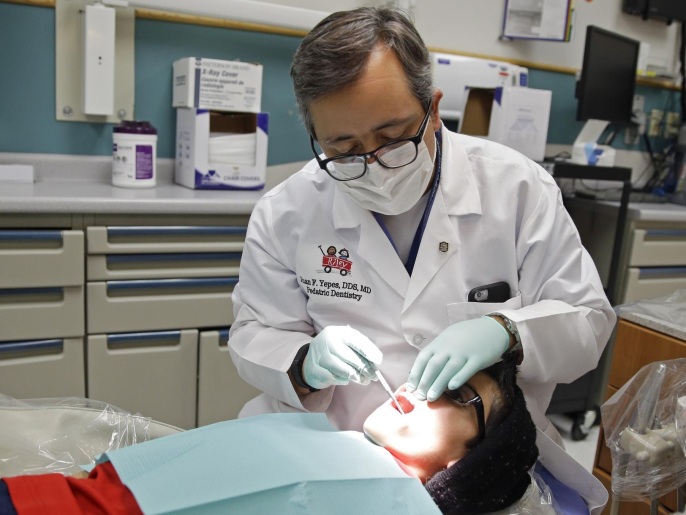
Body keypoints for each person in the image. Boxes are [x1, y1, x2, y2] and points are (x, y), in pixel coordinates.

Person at [227, 6, 616, 444]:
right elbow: (254, 333)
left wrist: (506, 331)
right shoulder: (286, 211)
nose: (374, 165)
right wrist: (302, 362)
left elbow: (587, 320)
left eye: (393, 138)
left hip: (482, 458)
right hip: (331, 447)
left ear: (432, 109)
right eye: (344, 148)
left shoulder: (517, 188)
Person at [0, 356, 603, 514]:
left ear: (468, 465)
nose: (423, 389)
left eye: (459, 396)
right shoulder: (327, 444)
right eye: (432, 373)